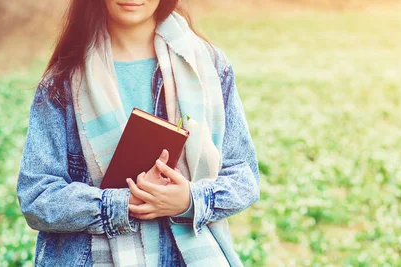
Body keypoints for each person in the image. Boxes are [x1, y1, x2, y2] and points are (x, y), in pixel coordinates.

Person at [16, 0, 260, 266]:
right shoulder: (62, 81)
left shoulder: (208, 66)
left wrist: (190, 200)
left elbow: (244, 177)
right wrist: (122, 203)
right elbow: (37, 196)